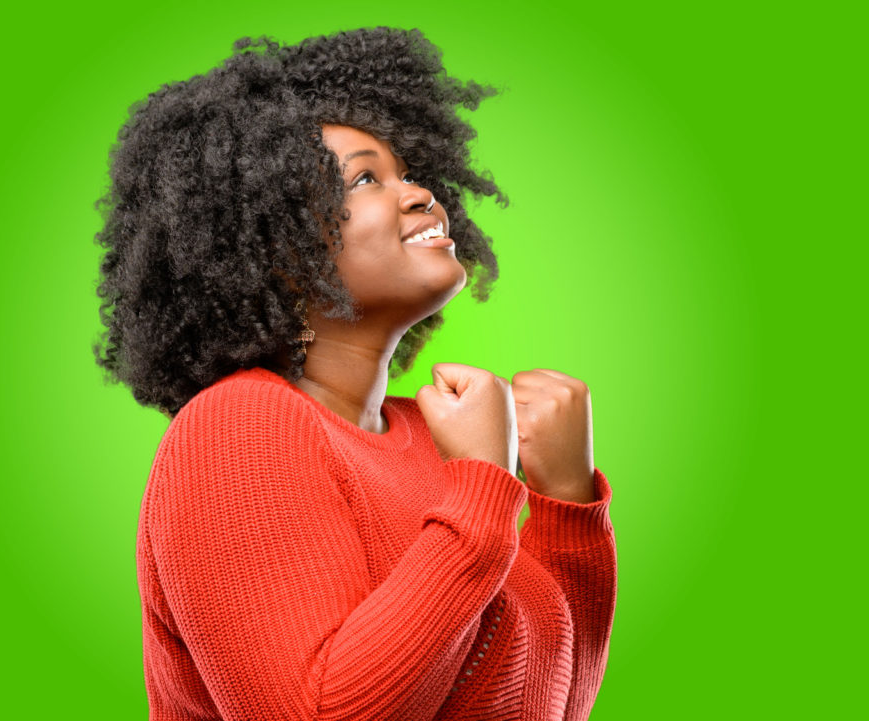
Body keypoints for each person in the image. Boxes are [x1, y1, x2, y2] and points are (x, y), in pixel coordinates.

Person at [93, 27, 616, 721]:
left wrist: (566, 504)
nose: (420, 193)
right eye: (367, 178)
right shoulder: (236, 427)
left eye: (407, 171)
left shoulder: (434, 439)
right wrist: (484, 490)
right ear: (278, 251)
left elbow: (548, 708)